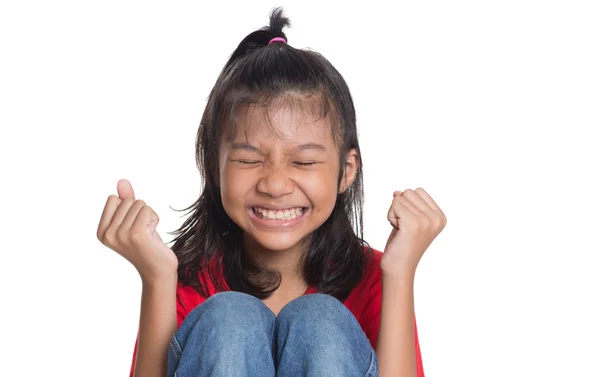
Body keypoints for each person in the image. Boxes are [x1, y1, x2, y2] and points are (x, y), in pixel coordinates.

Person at [97, 7, 446, 377]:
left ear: (346, 171)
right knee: (231, 319)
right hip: (220, 317)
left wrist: (400, 271)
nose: (276, 185)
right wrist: (157, 277)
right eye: (249, 161)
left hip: (336, 316)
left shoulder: (373, 277)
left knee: (320, 322)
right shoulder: (189, 280)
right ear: (215, 168)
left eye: (304, 162)